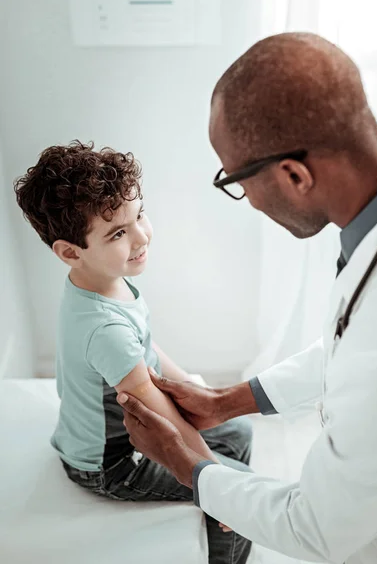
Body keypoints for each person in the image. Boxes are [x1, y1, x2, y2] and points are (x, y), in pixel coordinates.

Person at [117, 32, 377, 564]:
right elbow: (351, 347)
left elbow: (312, 528)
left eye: (239, 181)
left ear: (295, 174)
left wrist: (186, 463)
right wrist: (230, 400)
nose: (246, 201)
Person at [14, 141, 253, 564]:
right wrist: (217, 482)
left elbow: (146, 344)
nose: (141, 235)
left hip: (131, 426)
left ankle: (209, 508)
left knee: (240, 434)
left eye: (139, 214)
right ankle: (226, 540)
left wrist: (194, 387)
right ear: (70, 251)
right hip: (113, 462)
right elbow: (157, 412)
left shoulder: (98, 280)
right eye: (118, 233)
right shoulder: (103, 329)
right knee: (244, 492)